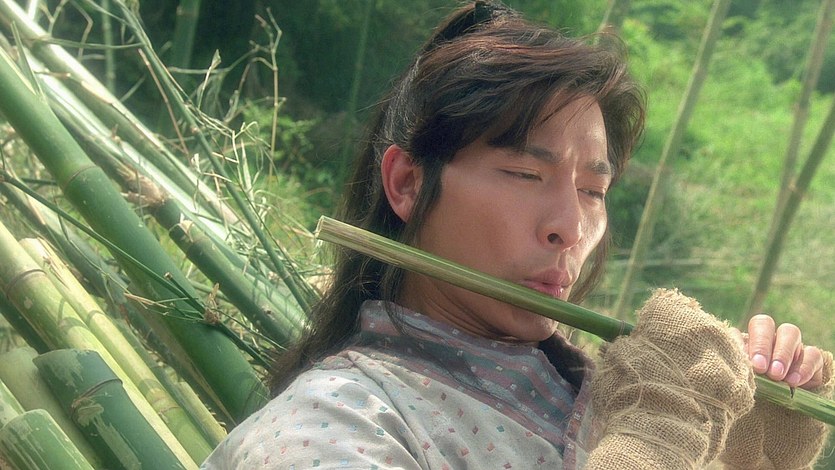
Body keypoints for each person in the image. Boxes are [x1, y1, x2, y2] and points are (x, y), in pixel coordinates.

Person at [202, 2, 832, 468]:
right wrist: (657, 434)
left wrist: (750, 450)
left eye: (593, 190)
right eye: (526, 174)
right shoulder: (330, 428)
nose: (570, 227)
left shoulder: (612, 398)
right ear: (407, 183)